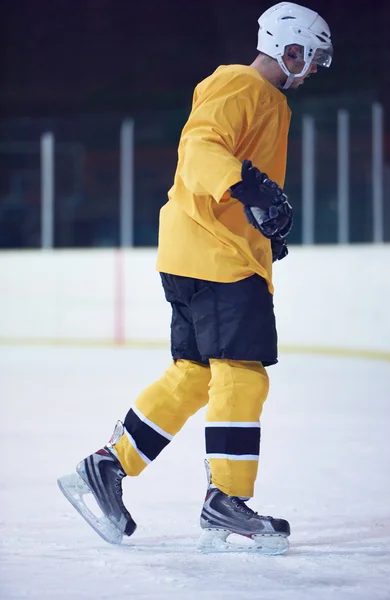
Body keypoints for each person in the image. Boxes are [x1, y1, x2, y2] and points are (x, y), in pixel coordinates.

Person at [58, 1, 332, 555]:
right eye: (313, 57)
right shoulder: (242, 85)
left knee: (195, 375)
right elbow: (199, 150)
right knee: (242, 373)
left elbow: (229, 167)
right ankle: (226, 501)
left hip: (199, 251)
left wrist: (263, 221)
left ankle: (104, 469)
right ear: (291, 47)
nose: (315, 69)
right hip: (217, 256)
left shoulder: (264, 100)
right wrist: (251, 189)